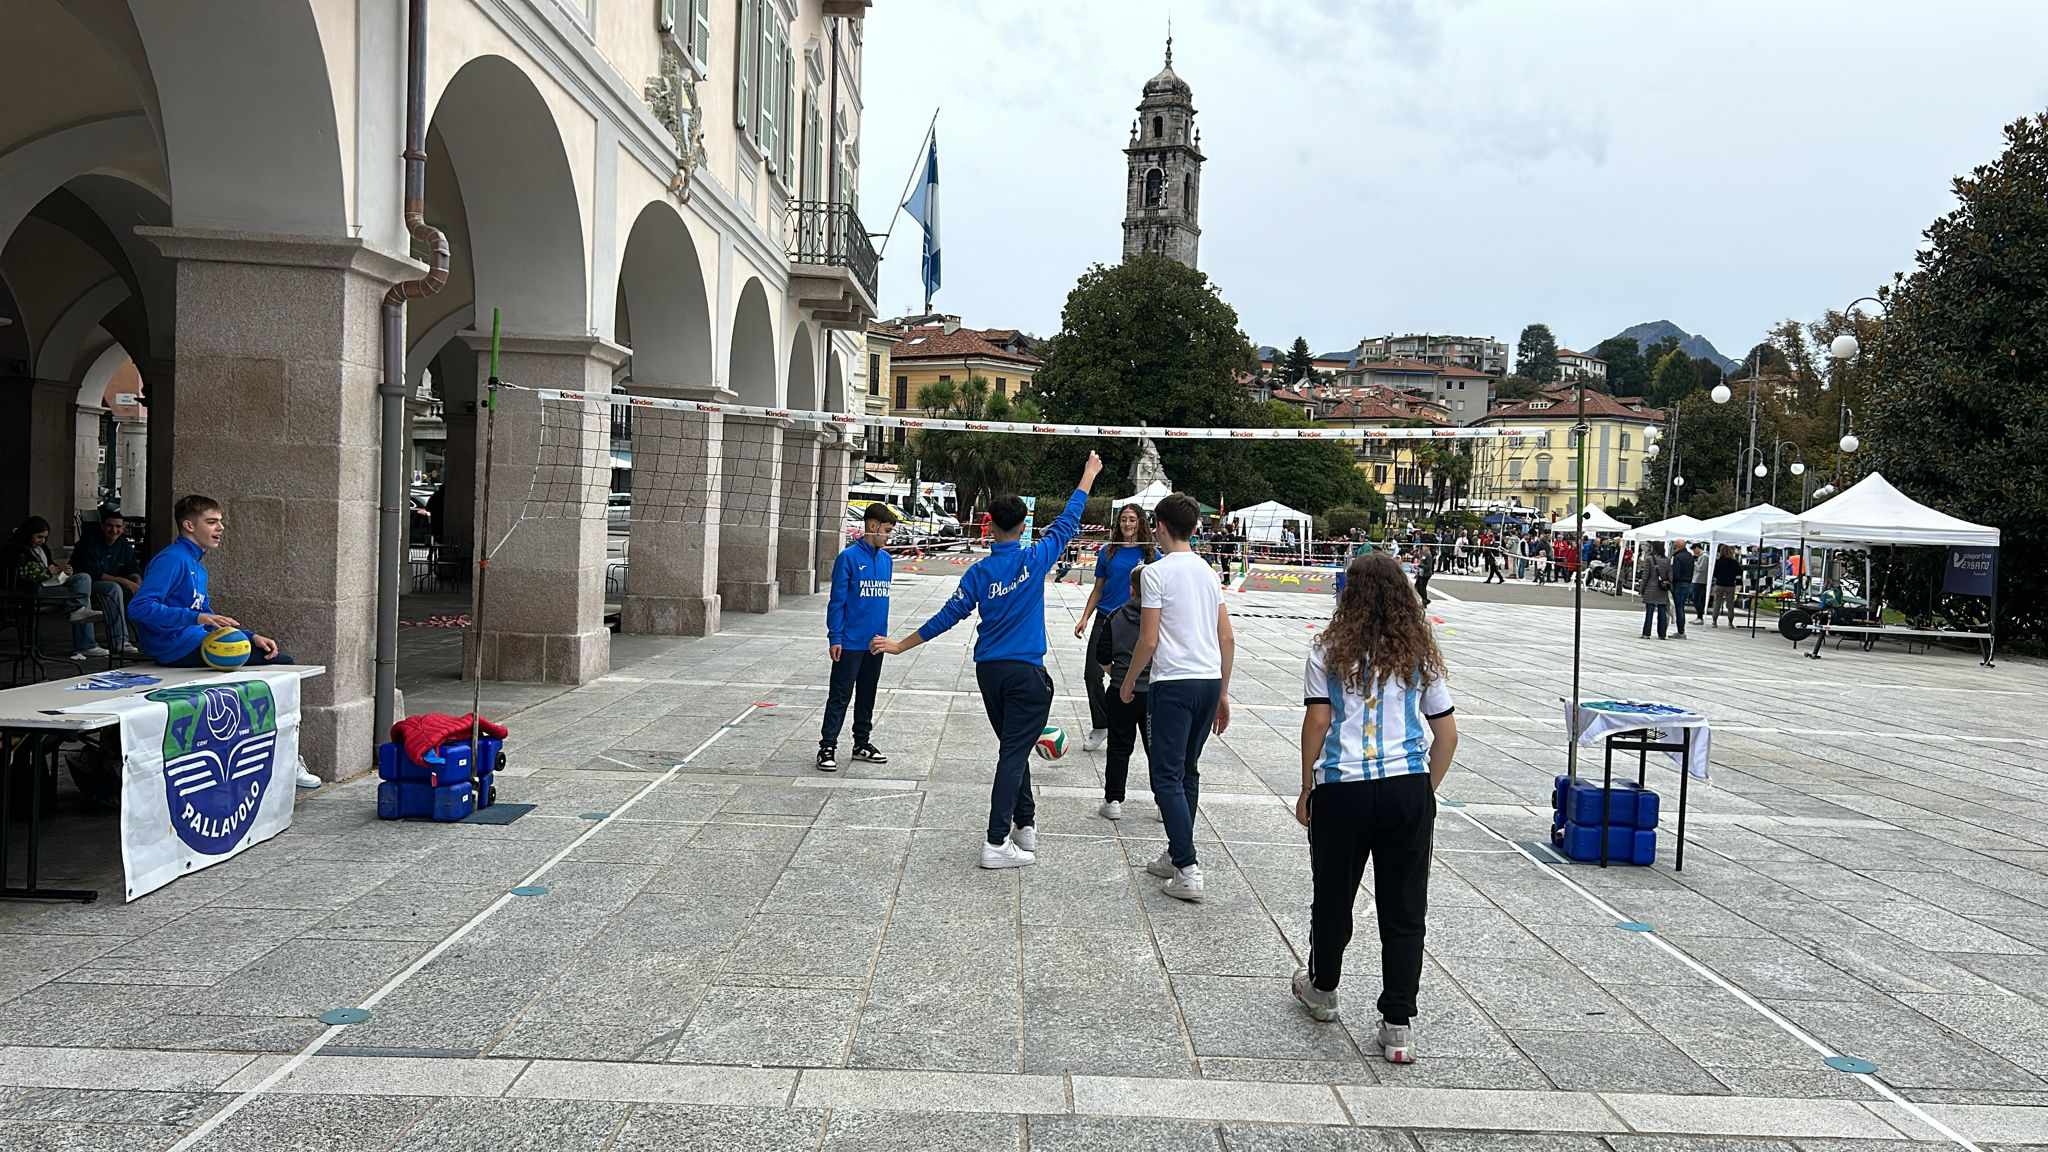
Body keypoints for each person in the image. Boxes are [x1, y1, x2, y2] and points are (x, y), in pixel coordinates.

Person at [873, 453, 1104, 869]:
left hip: (990, 672)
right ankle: (996, 842)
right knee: (1013, 754)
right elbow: (1069, 520)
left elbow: (947, 616)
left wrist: (900, 645)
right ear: (1022, 525)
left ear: (990, 525)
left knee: (1013, 747)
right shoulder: (1034, 559)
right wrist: (1087, 474)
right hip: (1024, 673)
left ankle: (1025, 824)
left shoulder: (979, 573)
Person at [1290, 553, 1456, 1064]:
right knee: (1405, 907)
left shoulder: (1326, 651)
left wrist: (1306, 788)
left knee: (1333, 894)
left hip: (1344, 789)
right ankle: (1397, 1023)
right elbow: (1447, 733)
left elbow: (1317, 724)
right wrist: (1424, 789)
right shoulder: (1419, 654)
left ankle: (1323, 988)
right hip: (1406, 787)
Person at [129, 495, 317, 789]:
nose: (221, 528)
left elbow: (209, 617)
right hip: (176, 648)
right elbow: (140, 608)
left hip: (197, 641)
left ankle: (278, 758)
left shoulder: (196, 564)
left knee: (275, 662)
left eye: (221, 522)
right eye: (212, 522)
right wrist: (197, 619)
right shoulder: (172, 559)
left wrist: (250, 635)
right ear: (189, 525)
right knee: (282, 667)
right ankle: (287, 760)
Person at [1118, 492, 1233, 902]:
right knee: (1187, 770)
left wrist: (1129, 680)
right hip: (1206, 680)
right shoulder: (1207, 571)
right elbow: (1226, 635)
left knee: (1165, 775)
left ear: (1159, 526)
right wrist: (1223, 690)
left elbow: (1148, 639)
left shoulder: (1154, 573)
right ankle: (1176, 849)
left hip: (1174, 682)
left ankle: (1187, 867)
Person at [819, 503, 897, 771]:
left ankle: (861, 743)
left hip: (875, 644)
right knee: (840, 695)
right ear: (873, 527)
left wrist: (885, 638)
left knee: (868, 694)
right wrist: (835, 637)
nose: (888, 537)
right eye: (886, 531)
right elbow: (837, 601)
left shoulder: (887, 561)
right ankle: (827, 746)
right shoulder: (848, 558)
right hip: (850, 642)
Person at [1075, 504, 1154, 753]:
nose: (1127, 524)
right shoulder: (1108, 552)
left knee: (1135, 676)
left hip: (1136, 621)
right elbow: (1098, 588)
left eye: (1132, 519)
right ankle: (1101, 725)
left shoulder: (1151, 554)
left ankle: (1143, 723)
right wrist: (1085, 617)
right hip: (1106, 619)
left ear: (1140, 522)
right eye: (1123, 520)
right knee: (1092, 673)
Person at [1093, 563, 1150, 821]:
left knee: (1118, 747)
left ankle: (1113, 799)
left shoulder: (1115, 615)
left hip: (1119, 690)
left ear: (1131, 589)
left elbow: (1102, 655)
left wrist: (1117, 674)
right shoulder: (1164, 618)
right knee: (1159, 749)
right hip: (1154, 694)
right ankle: (1163, 802)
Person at [5, 516, 106, 661]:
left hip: (51, 583)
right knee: (74, 595)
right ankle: (78, 614)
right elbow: (24, 575)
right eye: (39, 537)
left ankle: (78, 610)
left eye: (45, 538)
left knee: (83, 578)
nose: (42, 541)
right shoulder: (17, 550)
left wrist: (62, 570)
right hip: (32, 589)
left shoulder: (42, 549)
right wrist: (49, 572)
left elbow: (51, 566)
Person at [69, 508, 141, 656]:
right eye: (110, 526)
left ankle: (120, 642)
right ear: (102, 526)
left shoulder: (123, 544)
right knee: (112, 587)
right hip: (85, 583)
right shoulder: (89, 542)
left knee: (116, 588)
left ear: (123, 528)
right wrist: (125, 582)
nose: (114, 530)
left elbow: (132, 567)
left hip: (106, 583)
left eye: (118, 527)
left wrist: (137, 581)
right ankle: (89, 644)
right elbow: (91, 571)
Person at [1637, 541, 1671, 639]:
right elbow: (1670, 575)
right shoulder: (1667, 560)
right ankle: (1662, 634)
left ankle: (1646, 633)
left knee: (1650, 612)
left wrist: (1641, 588)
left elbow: (1645, 576)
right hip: (1662, 588)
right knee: (1662, 612)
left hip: (1651, 588)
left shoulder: (1649, 559)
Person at [1667, 540, 1695, 639]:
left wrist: (1671, 582)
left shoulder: (1678, 557)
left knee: (1679, 608)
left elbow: (1676, 573)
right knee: (1681, 607)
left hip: (1679, 584)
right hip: (1687, 583)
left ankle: (1681, 631)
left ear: (1677, 547)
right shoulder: (1690, 556)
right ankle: (1681, 630)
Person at [1710, 544, 1741, 627]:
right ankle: (1730, 622)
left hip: (1719, 584)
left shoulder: (1718, 561)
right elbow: (1739, 574)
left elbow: (1714, 573)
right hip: (1730, 585)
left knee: (1717, 603)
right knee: (1730, 604)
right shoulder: (1734, 562)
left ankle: (1714, 621)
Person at [1412, 540, 1436, 605]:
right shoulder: (1424, 554)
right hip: (1421, 573)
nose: (1423, 547)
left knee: (1422, 587)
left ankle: (1425, 600)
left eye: (1424, 546)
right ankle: (1425, 599)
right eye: (1423, 546)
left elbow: (1428, 566)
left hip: (1426, 574)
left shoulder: (1428, 555)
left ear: (1428, 547)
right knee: (1417, 586)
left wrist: (1419, 565)